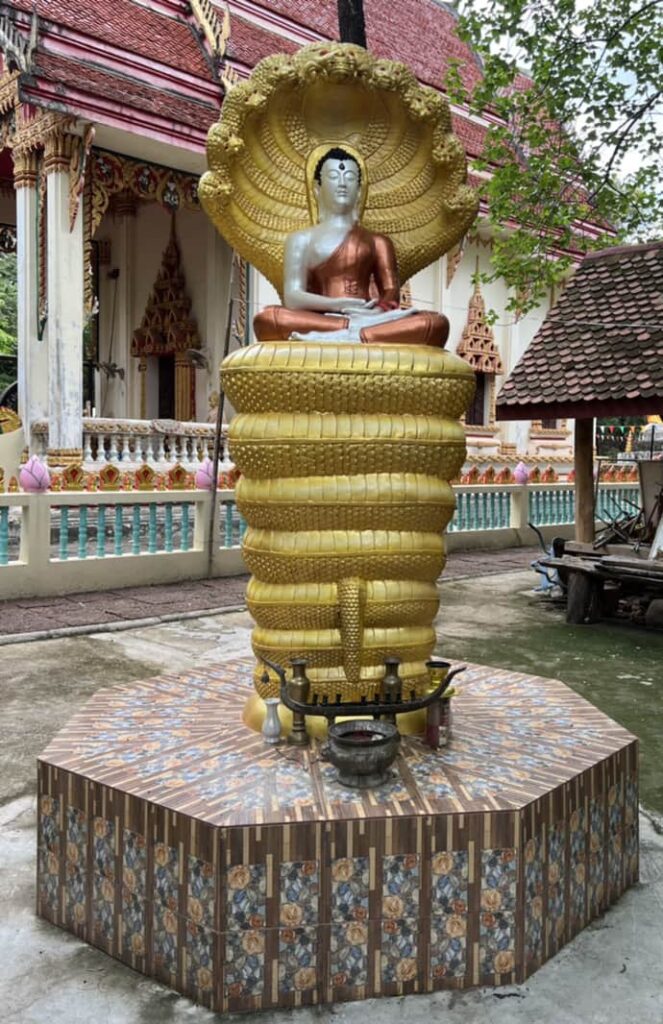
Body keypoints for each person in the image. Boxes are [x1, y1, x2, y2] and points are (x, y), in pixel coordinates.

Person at [253, 147, 449, 347]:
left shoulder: (378, 241)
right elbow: (293, 297)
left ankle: (351, 333)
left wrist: (376, 312)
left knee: (435, 323)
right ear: (317, 188)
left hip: (370, 316)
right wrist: (338, 305)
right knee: (267, 318)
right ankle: (359, 332)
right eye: (333, 176)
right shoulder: (301, 239)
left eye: (350, 177)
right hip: (323, 318)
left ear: (360, 190)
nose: (342, 183)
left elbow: (391, 294)